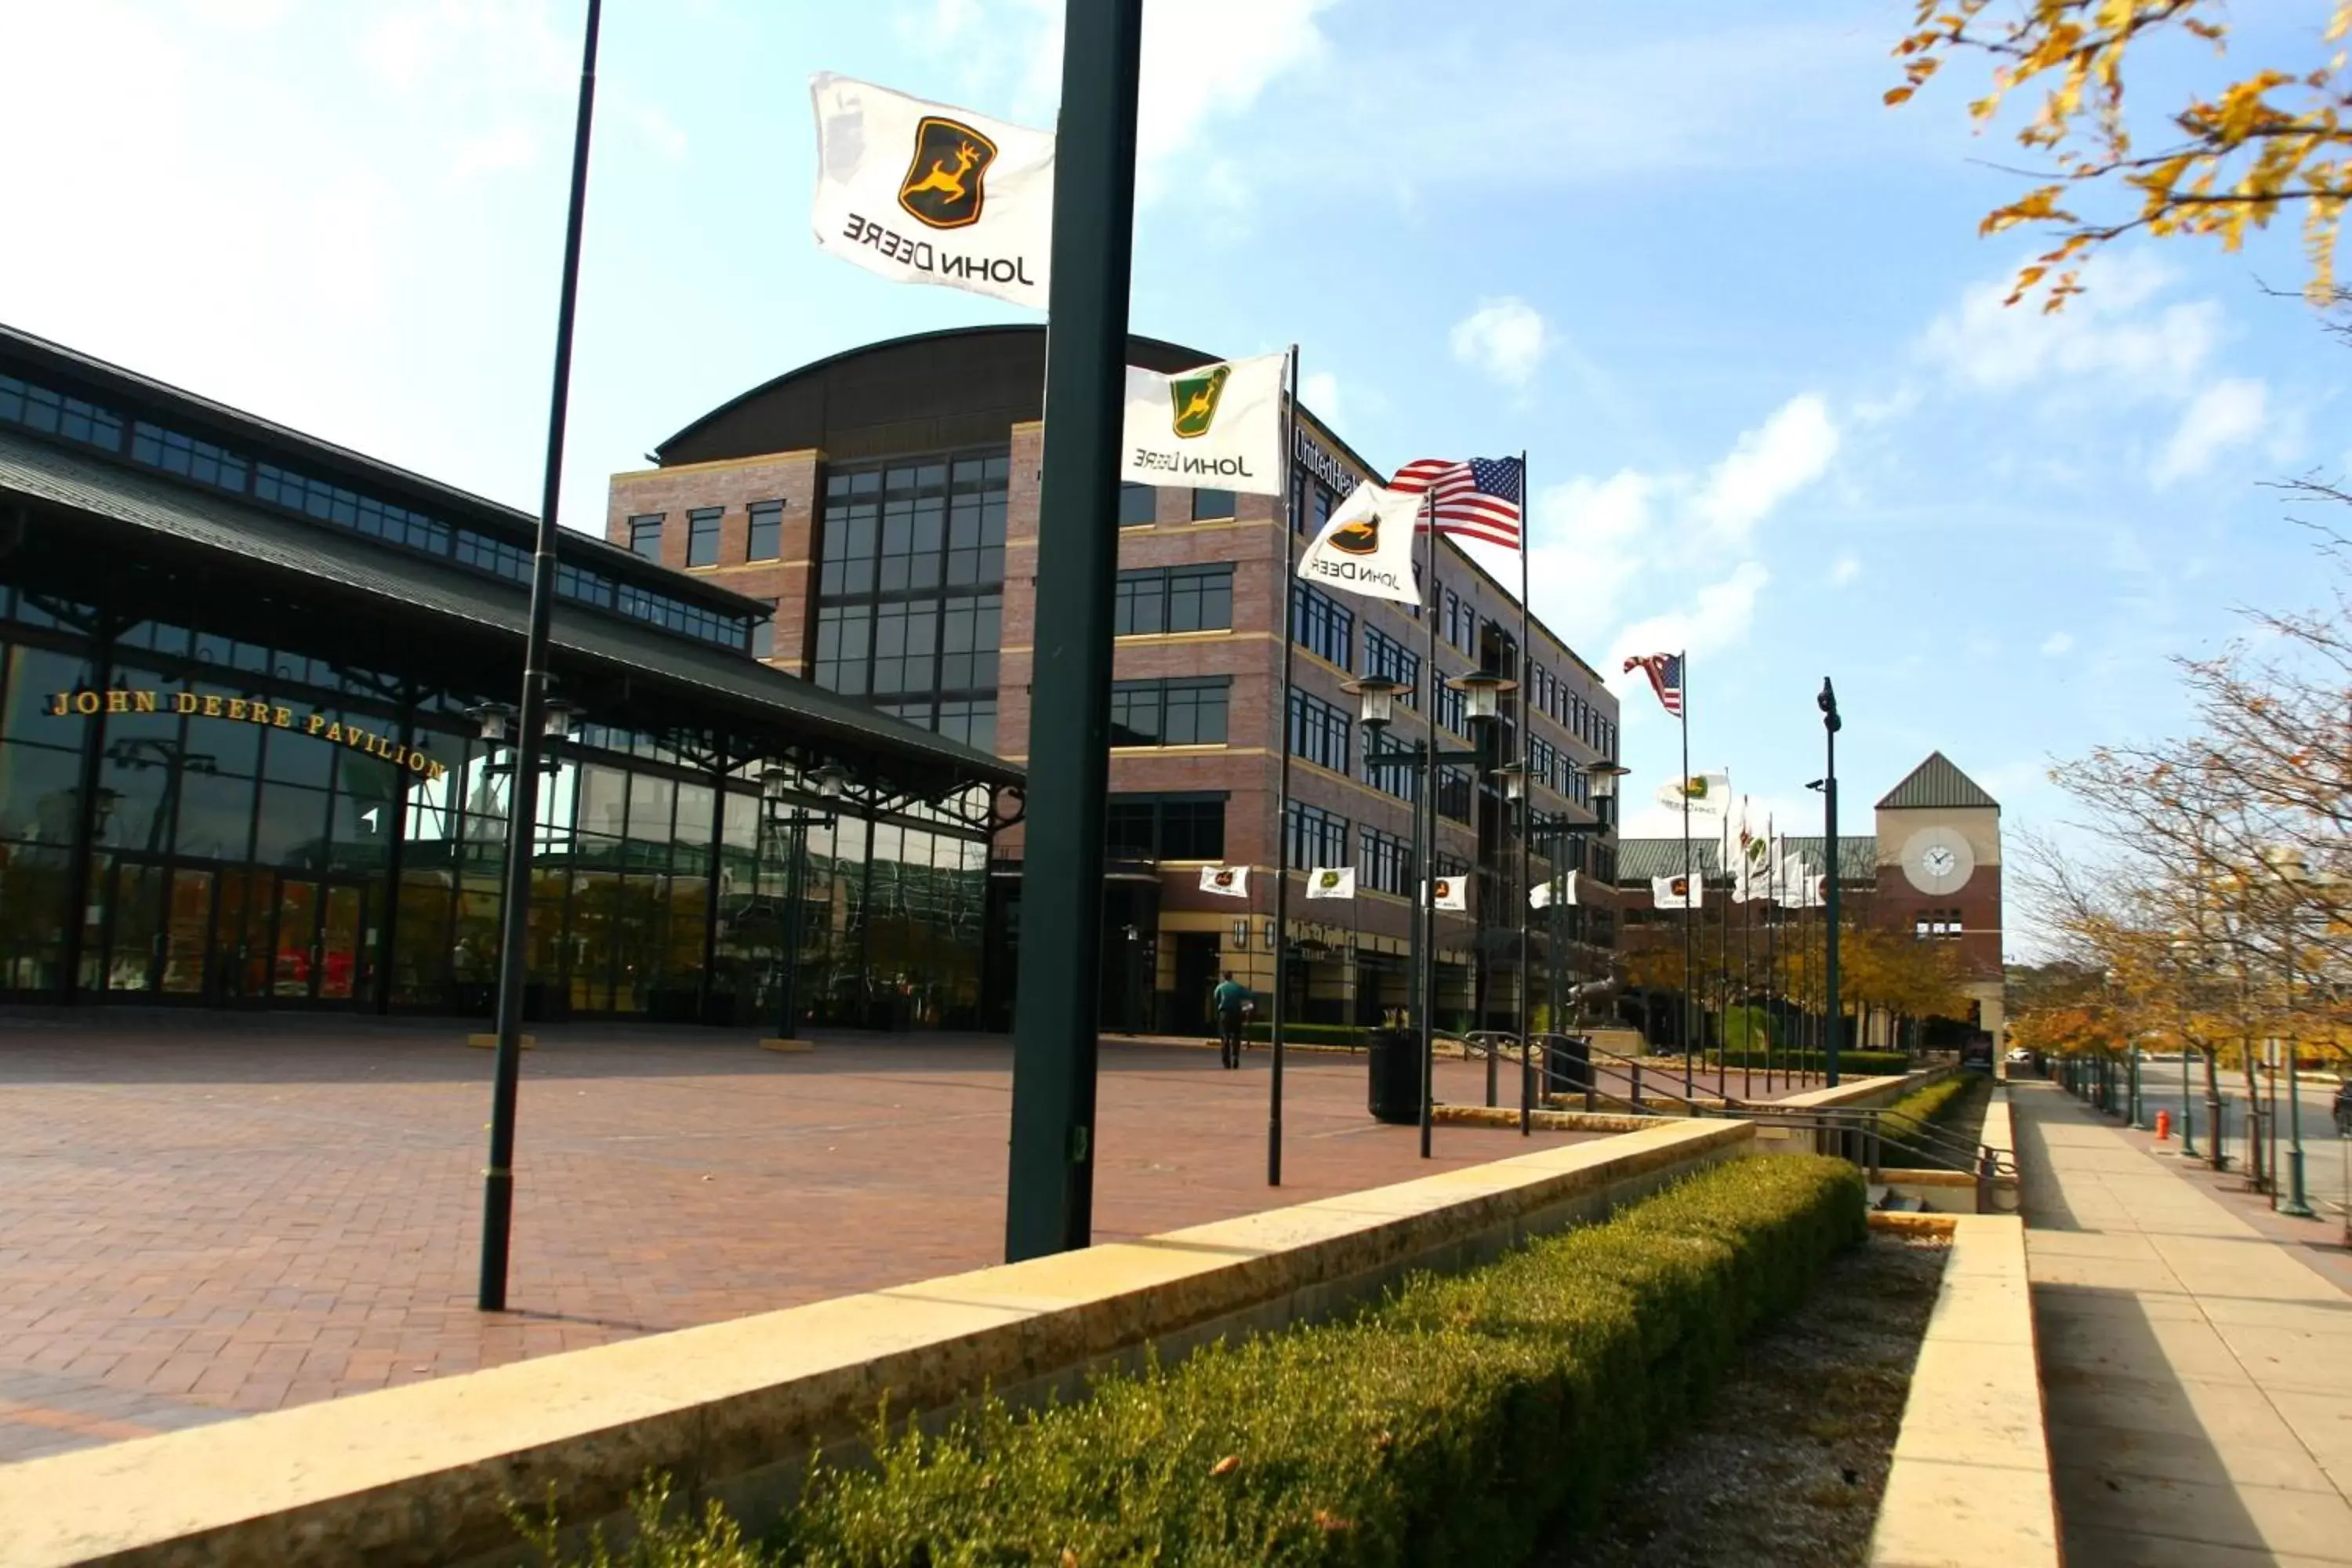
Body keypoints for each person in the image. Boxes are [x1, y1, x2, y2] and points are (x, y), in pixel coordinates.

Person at [1211, 971, 1250, 1069]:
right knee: (1236, 1036)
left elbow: (1216, 998)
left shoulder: (1220, 987)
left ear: (1224, 977)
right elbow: (1248, 995)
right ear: (1232, 977)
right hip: (1236, 1013)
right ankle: (1235, 1057)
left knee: (1225, 1037)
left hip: (1224, 1013)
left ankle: (1226, 1061)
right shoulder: (1237, 987)